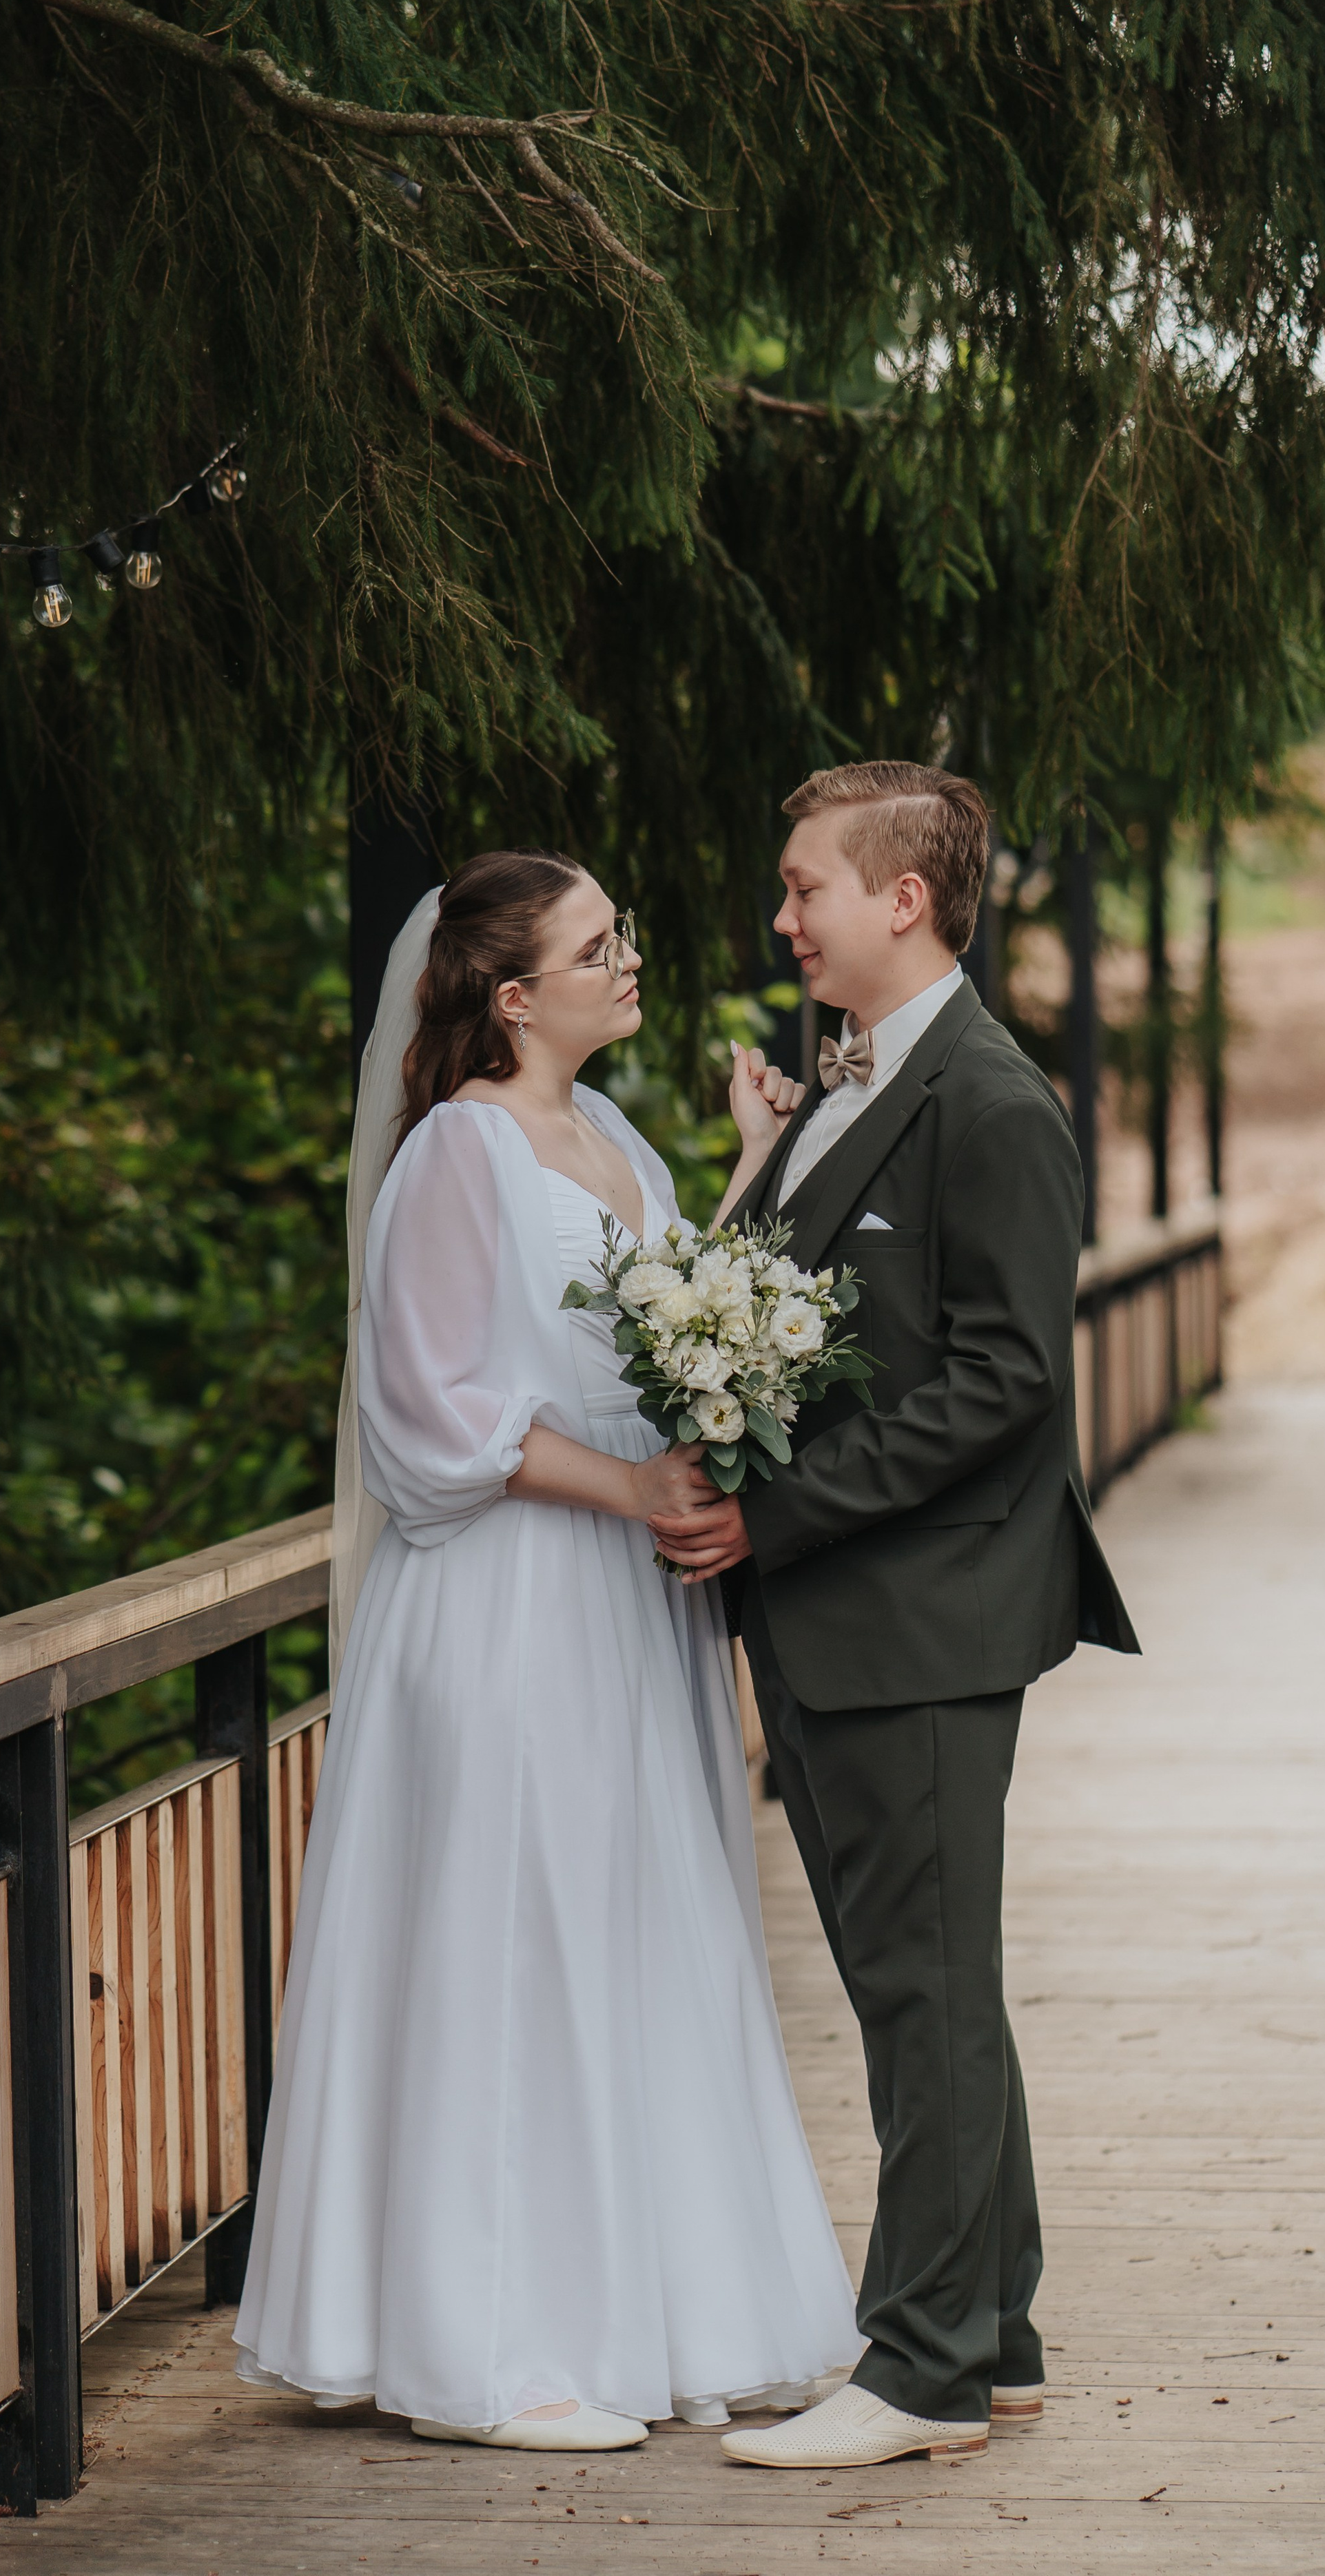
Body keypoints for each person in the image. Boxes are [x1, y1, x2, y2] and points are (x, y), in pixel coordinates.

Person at [234, 849, 859, 2453]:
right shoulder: (457, 1149)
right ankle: (492, 2352)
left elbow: (654, 1325)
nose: (627, 958)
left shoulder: (608, 1136)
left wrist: (749, 1164)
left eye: (620, 934)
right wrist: (631, 1488)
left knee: (625, 1929)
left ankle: (646, 2308)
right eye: (597, 946)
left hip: (625, 1604)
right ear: (512, 996)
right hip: (511, 1597)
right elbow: (428, 1413)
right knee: (514, 1939)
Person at [652, 761, 1140, 2471]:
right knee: (924, 1989)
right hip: (849, 1613)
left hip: (919, 1617)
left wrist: (770, 1515)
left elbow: (1006, 1381)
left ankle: (919, 2367)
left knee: (920, 1997)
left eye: (805, 888)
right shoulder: (851, 1084)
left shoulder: (990, 1102)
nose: (782, 917)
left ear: (902, 899)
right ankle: (989, 2334)